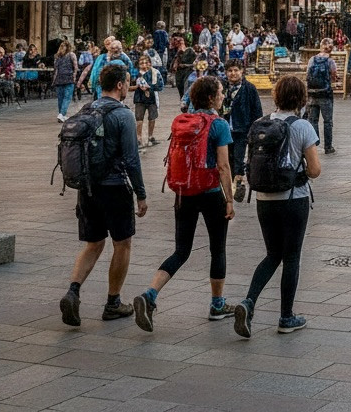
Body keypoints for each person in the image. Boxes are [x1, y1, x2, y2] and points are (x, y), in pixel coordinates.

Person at [133, 75, 234, 331]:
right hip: (211, 194)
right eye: (221, 92)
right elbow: (223, 166)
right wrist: (229, 199)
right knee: (218, 249)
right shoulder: (218, 124)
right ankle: (217, 304)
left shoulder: (182, 121)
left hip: (183, 193)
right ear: (211, 98)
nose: (223, 96)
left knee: (181, 251)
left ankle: (150, 294)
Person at [60, 62, 148, 327]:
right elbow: (132, 159)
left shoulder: (87, 109)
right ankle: (113, 302)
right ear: (120, 85)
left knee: (93, 244)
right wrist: (141, 195)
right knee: (122, 244)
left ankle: (73, 291)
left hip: (87, 188)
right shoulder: (123, 115)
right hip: (115, 188)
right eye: (127, 83)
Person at [234, 75, 322, 337]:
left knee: (273, 254)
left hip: (264, 199)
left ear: (276, 97)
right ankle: (286, 316)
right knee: (292, 256)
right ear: (301, 99)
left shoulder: (261, 123)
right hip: (294, 198)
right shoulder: (303, 126)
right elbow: (315, 170)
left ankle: (249, 301)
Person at [221, 59, 263, 200]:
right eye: (230, 71)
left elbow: (257, 111)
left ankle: (239, 183)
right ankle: (230, 183)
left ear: (242, 71)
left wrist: (255, 130)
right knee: (227, 157)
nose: (233, 73)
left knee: (239, 157)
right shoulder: (222, 87)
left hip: (242, 129)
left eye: (236, 70)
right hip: (225, 129)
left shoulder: (249, 88)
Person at [305, 39, 337, 155]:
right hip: (325, 94)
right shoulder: (330, 61)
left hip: (312, 94)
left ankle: (314, 143)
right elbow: (334, 76)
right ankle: (328, 147)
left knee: (313, 120)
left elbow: (307, 75)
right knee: (327, 121)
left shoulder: (311, 60)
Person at [133, 54, 164, 147]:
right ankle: (138, 138)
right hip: (139, 98)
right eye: (141, 63)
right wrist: (138, 86)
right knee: (139, 118)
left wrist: (149, 87)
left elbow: (160, 86)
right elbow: (131, 83)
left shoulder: (155, 72)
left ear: (150, 63)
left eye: (146, 62)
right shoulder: (136, 73)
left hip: (152, 98)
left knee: (152, 117)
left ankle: (150, 136)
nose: (144, 65)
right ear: (138, 64)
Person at [52, 40, 79, 122]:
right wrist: (74, 76)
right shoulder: (71, 54)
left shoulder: (57, 56)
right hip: (68, 78)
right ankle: (61, 114)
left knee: (60, 98)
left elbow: (56, 70)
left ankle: (61, 114)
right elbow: (75, 66)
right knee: (67, 97)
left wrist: (54, 80)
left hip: (59, 79)